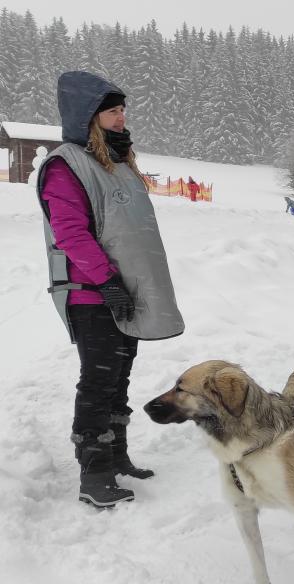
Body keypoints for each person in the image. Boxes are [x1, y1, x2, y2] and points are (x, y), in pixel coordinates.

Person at [37, 71, 185, 507]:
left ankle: (117, 455)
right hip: (92, 292)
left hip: (125, 291)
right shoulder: (66, 164)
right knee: (98, 382)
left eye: (123, 110)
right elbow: (70, 233)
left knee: (119, 377)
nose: (122, 119)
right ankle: (94, 471)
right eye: (113, 111)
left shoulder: (116, 162)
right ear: (89, 117)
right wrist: (105, 280)